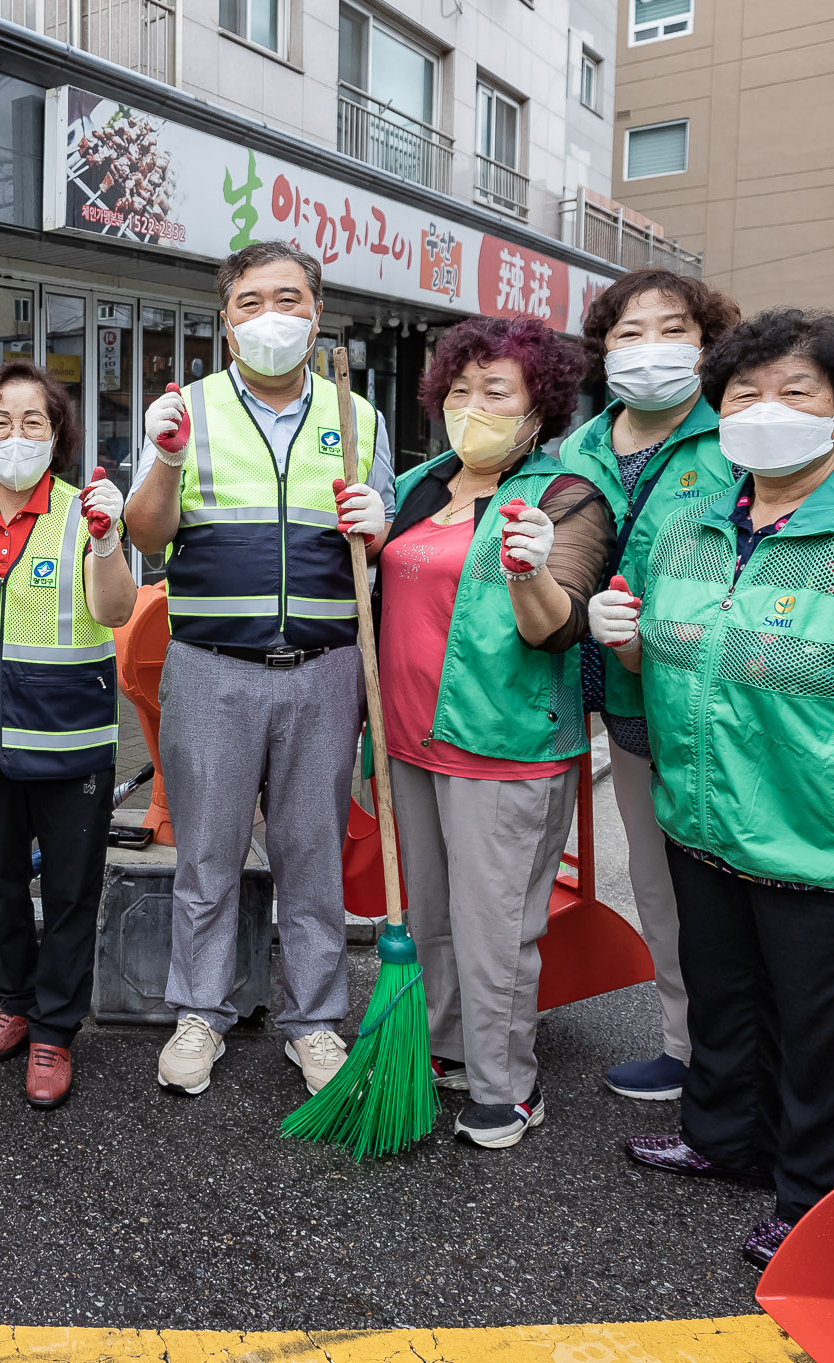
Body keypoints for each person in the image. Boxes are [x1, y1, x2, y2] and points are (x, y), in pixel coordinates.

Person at [591, 308, 834, 1269]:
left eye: (796, 392)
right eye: (745, 394)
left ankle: (827, 1200)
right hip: (706, 824)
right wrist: (624, 631)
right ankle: (723, 1135)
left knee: (832, 1037)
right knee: (725, 1003)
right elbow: (679, 649)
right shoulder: (690, 525)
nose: (766, 412)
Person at [123, 242, 393, 1099]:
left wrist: (378, 522)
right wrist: (166, 457)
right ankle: (199, 1011)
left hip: (325, 667)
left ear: (317, 314)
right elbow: (146, 534)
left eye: (288, 297)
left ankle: (313, 1023)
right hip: (211, 667)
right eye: (249, 301)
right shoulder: (186, 409)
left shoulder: (360, 417)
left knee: (311, 854)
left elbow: (376, 553)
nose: (270, 314)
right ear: (226, 321)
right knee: (206, 853)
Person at [377, 316, 607, 1150]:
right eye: (461, 390)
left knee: (496, 926)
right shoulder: (422, 484)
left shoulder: (564, 496)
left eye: (496, 392)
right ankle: (445, 1049)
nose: (473, 406)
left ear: (539, 408)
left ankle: (508, 1085)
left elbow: (558, 627)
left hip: (505, 746)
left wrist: (531, 570)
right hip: (408, 737)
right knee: (431, 914)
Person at [0, 362, 135, 1109]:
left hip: (72, 746)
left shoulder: (84, 512)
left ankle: (54, 1028)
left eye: (32, 420)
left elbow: (115, 609)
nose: (16, 434)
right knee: (3, 882)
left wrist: (108, 541)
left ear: (57, 433)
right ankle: (13, 999)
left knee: (70, 892)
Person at [561, 270, 742, 1105]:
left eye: (674, 331)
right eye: (629, 334)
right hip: (609, 695)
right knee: (656, 874)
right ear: (603, 349)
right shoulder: (579, 445)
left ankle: (744, 1055)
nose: (652, 350)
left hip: (708, 701)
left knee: (727, 878)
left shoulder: (737, 441)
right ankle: (686, 1044)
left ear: (707, 345)